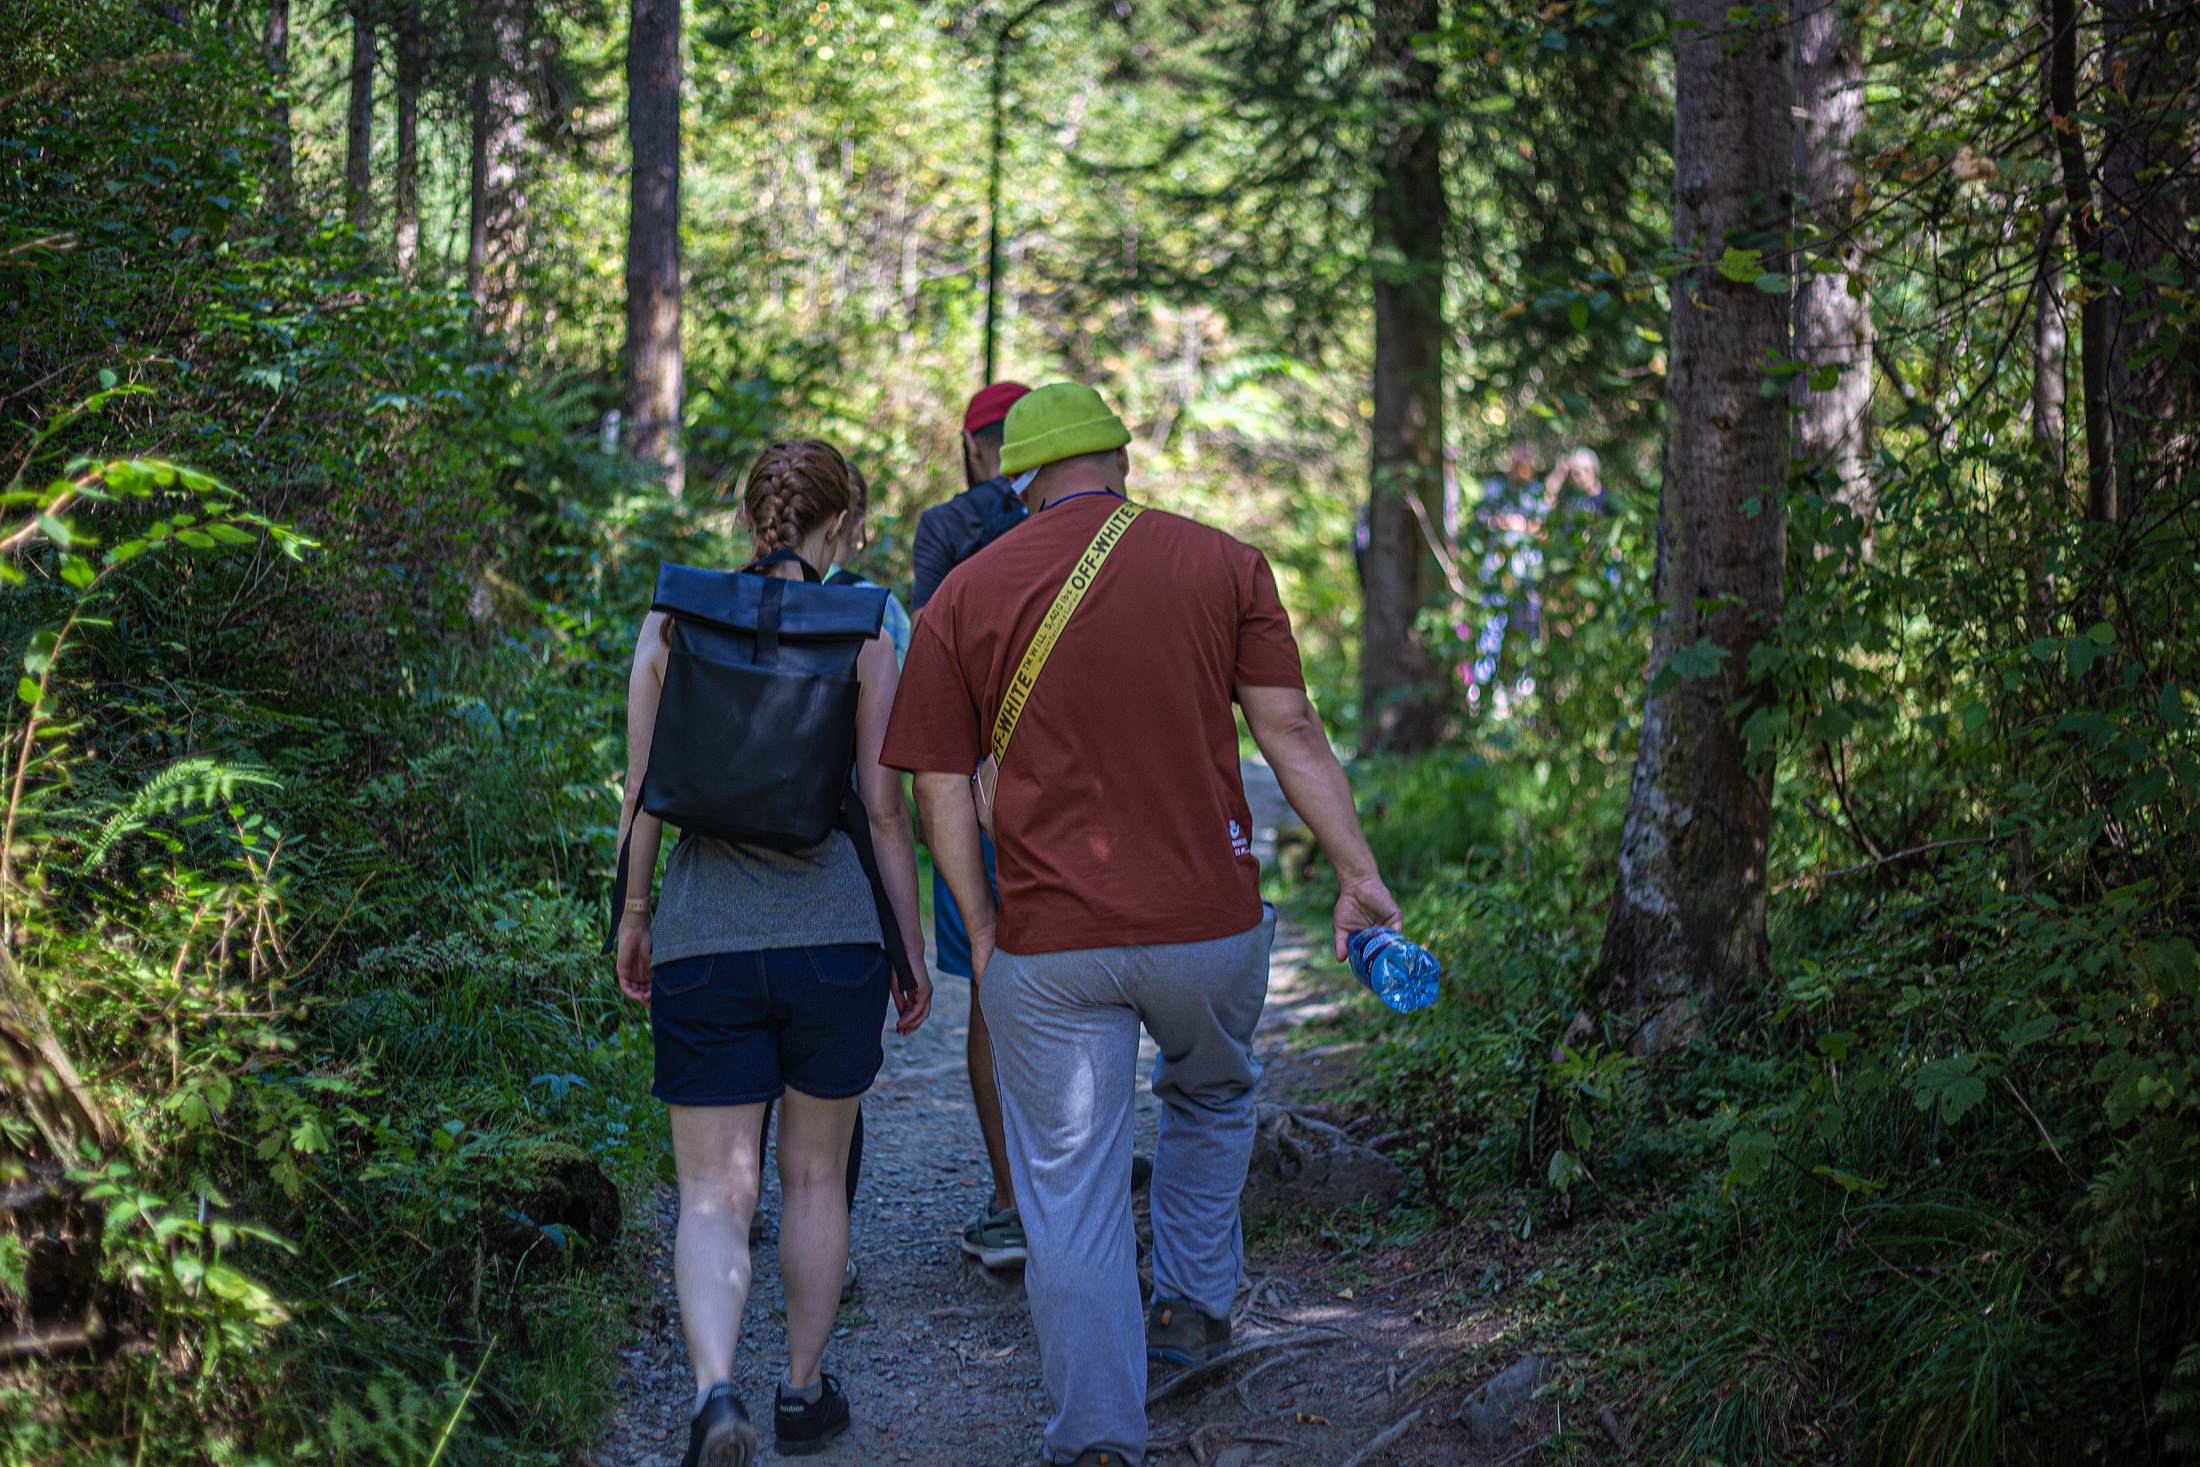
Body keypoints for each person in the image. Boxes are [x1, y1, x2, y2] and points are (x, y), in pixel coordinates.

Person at [881, 383, 1403, 1467]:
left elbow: (935, 784)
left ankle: (1098, 1437)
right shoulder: (1226, 565)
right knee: (1212, 1093)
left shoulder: (962, 595)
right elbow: (1292, 731)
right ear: (1120, 461)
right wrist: (1357, 877)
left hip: (1049, 940)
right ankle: (1193, 1308)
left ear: (1013, 480)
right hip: (1207, 921)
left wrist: (979, 925)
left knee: (1066, 1181)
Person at [615, 439, 933, 1467]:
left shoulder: (674, 615)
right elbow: (884, 813)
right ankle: (800, 1394)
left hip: (705, 939)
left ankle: (715, 1393)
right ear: (839, 526)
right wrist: (909, 948)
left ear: (753, 516)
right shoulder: (863, 625)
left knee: (711, 1193)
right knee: (812, 1179)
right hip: (833, 941)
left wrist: (633, 914)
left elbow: (642, 790)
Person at [908, 380, 1032, 1269]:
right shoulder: (1081, 524)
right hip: (1070, 792)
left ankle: (1008, 1196)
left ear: (972, 444)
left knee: (991, 984)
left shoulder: (946, 528)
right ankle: (1078, 1177)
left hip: (973, 783)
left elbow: (927, 648)